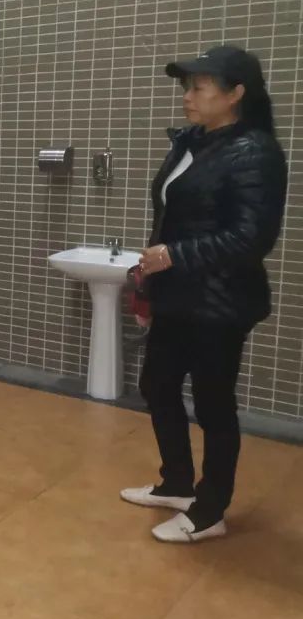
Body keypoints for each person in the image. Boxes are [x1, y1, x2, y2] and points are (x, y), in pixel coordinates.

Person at [120, 45, 288, 543]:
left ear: (235, 94)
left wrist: (174, 255)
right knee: (157, 385)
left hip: (221, 302)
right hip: (177, 294)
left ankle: (210, 510)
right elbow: (174, 215)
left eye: (199, 87)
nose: (187, 96)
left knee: (213, 404)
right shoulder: (192, 141)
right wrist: (155, 278)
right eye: (186, 87)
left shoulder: (255, 151)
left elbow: (252, 238)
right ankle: (176, 483)